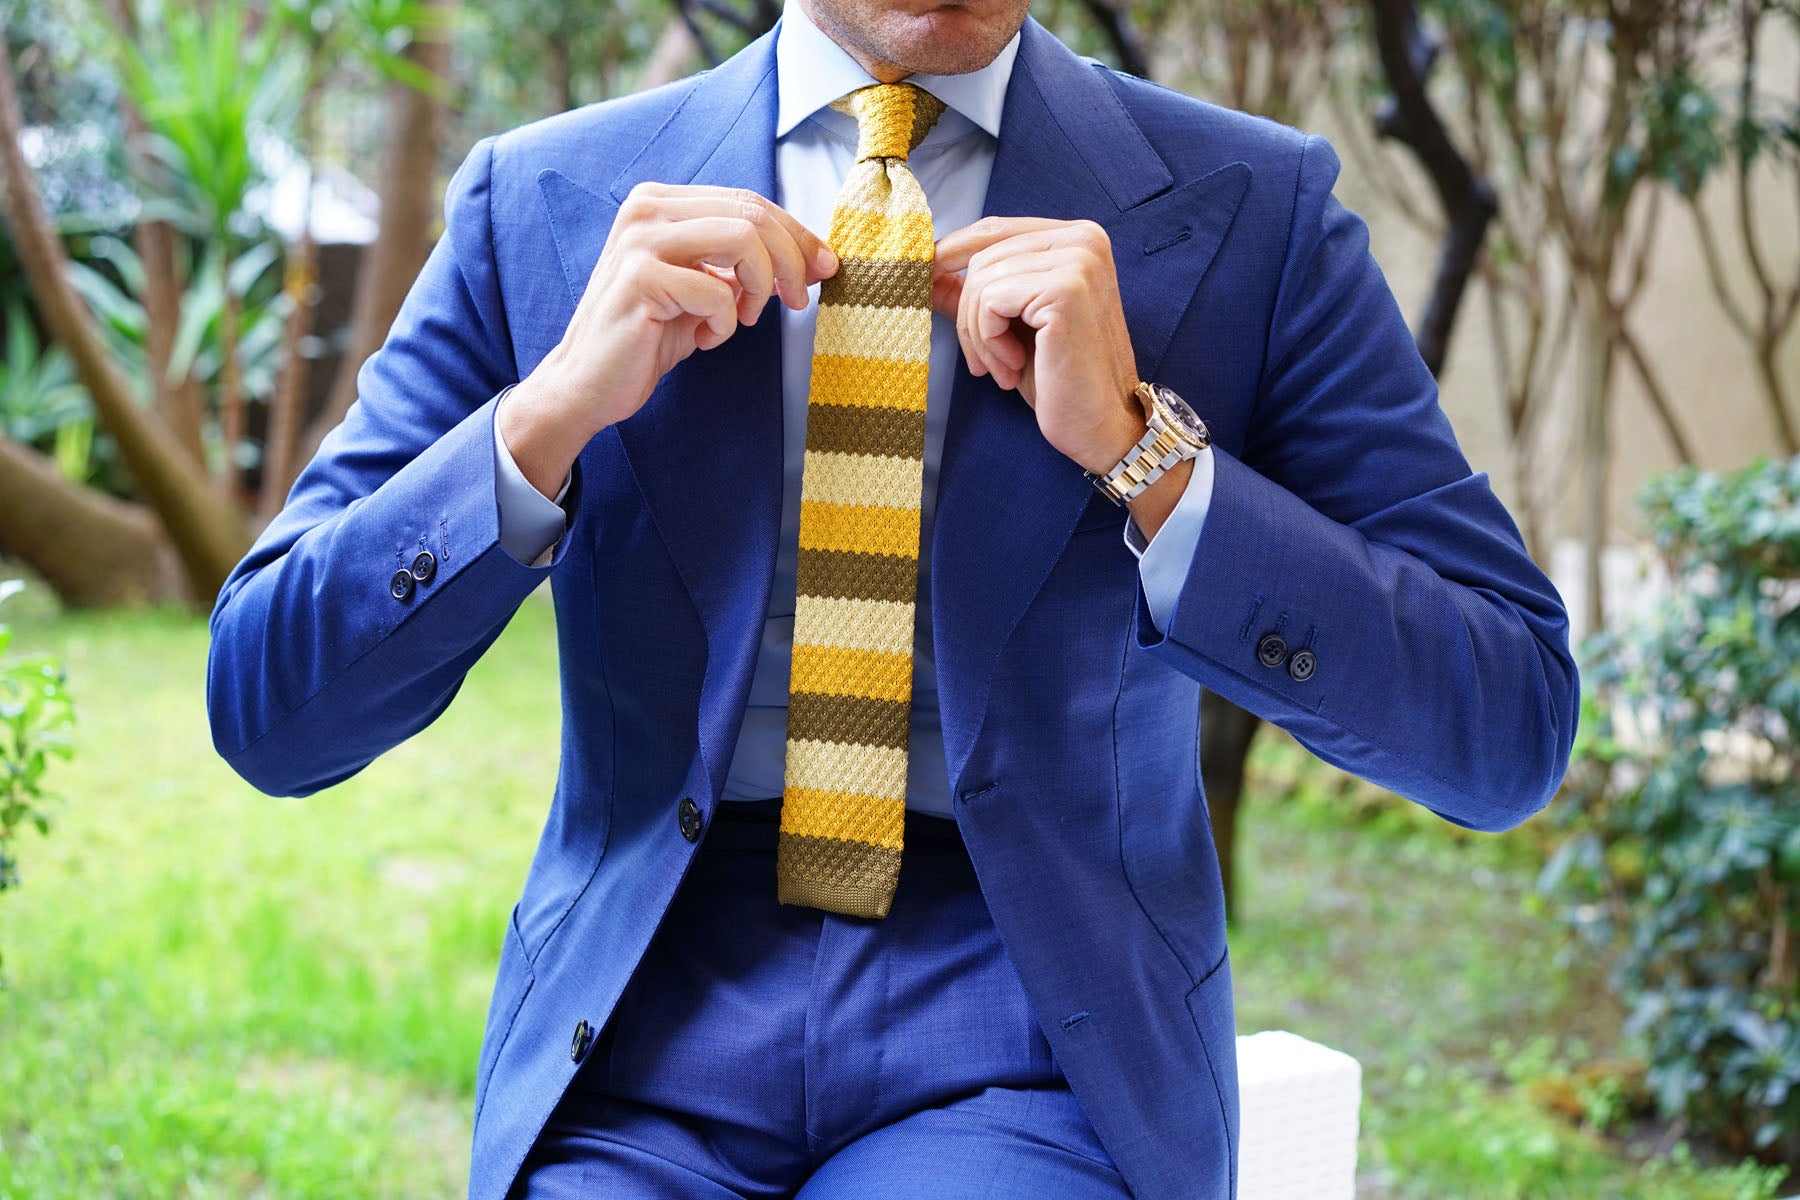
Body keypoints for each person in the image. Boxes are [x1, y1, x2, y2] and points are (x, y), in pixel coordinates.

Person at [206, 0, 1580, 1195]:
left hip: (1035, 1025)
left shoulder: (1251, 214)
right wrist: (548, 416)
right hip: (641, 1021)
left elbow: (1505, 724)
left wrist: (1147, 454)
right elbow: (271, 711)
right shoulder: (549, 199)